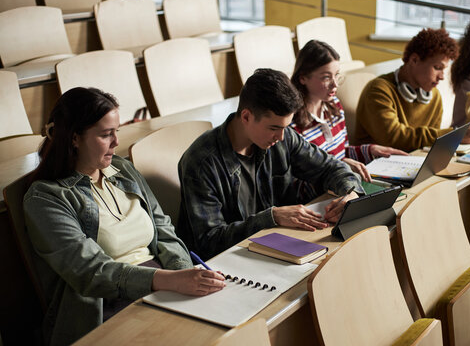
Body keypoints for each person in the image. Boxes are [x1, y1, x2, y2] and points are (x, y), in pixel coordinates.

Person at [24, 87, 225, 346]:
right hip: (104, 306)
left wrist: (184, 275)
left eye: (117, 131)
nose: (117, 142)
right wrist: (170, 281)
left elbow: (163, 230)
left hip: (162, 284)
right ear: (75, 138)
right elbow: (91, 273)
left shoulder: (123, 170)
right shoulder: (45, 198)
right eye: (106, 134)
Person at [177, 68, 364, 260]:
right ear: (246, 117)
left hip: (278, 248)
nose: (281, 136)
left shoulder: (283, 137)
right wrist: (271, 217)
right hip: (229, 263)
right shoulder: (201, 163)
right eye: (274, 128)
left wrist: (351, 194)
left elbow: (331, 167)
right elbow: (209, 241)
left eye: (285, 127)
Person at [290, 39, 407, 188]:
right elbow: (298, 185)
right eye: (326, 77)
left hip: (343, 187)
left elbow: (341, 154)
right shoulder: (291, 125)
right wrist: (339, 169)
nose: (335, 84)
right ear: (303, 78)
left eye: (336, 75)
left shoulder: (335, 106)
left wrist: (369, 151)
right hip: (319, 198)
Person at [355, 28, 470, 152]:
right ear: (414, 60)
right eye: (438, 67)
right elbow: (394, 138)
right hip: (374, 167)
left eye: (444, 70)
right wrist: (453, 135)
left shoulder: (433, 95)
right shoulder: (378, 90)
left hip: (412, 162)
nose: (442, 77)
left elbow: (429, 145)